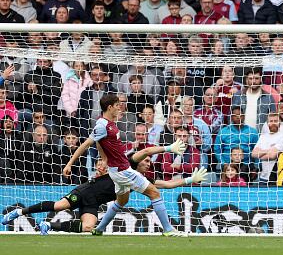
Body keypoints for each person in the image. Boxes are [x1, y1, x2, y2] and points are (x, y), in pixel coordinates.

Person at [62, 94, 196, 237]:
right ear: (110, 107)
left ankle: (99, 229)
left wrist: (105, 159)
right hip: (122, 171)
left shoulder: (110, 124)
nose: (120, 108)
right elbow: (86, 144)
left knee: (122, 201)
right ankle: (168, 229)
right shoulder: (102, 125)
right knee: (154, 193)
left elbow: (100, 143)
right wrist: (69, 164)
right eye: (117, 105)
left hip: (117, 170)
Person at [2, 142, 207, 234]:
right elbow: (145, 151)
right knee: (58, 206)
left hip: (95, 202)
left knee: (88, 227)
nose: (147, 163)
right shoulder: (128, 164)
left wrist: (190, 179)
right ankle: (19, 212)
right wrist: (169, 148)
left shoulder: (137, 181)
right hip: (86, 191)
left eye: (150, 164)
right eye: (147, 162)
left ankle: (49, 227)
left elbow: (167, 185)